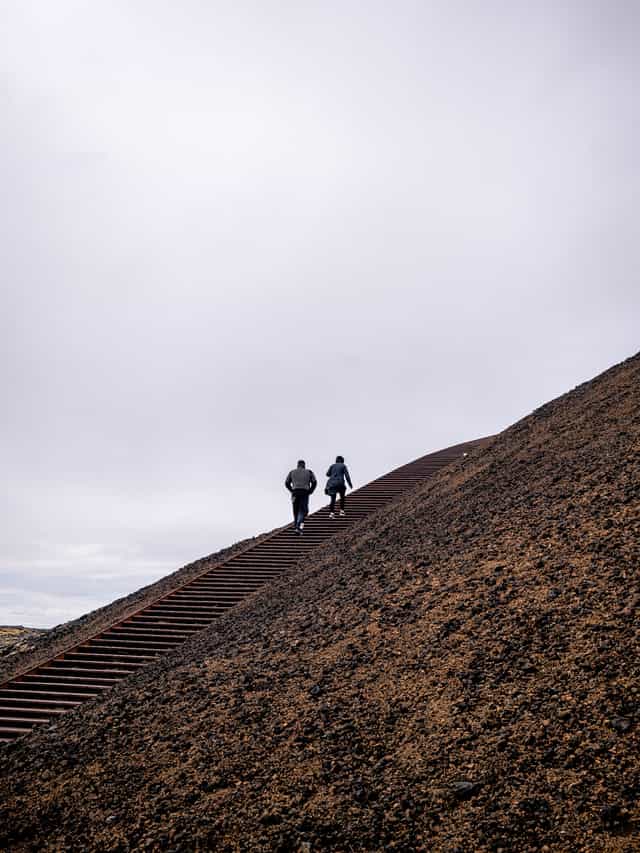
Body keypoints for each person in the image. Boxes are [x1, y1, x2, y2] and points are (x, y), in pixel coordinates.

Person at [285, 460, 317, 534]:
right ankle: (298, 526)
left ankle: (296, 527)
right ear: (304, 465)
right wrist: (311, 490)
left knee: (295, 511)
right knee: (304, 510)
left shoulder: (292, 472)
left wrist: (291, 490)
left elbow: (286, 483)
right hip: (304, 493)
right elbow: (314, 482)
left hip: (295, 493)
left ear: (297, 465)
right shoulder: (309, 472)